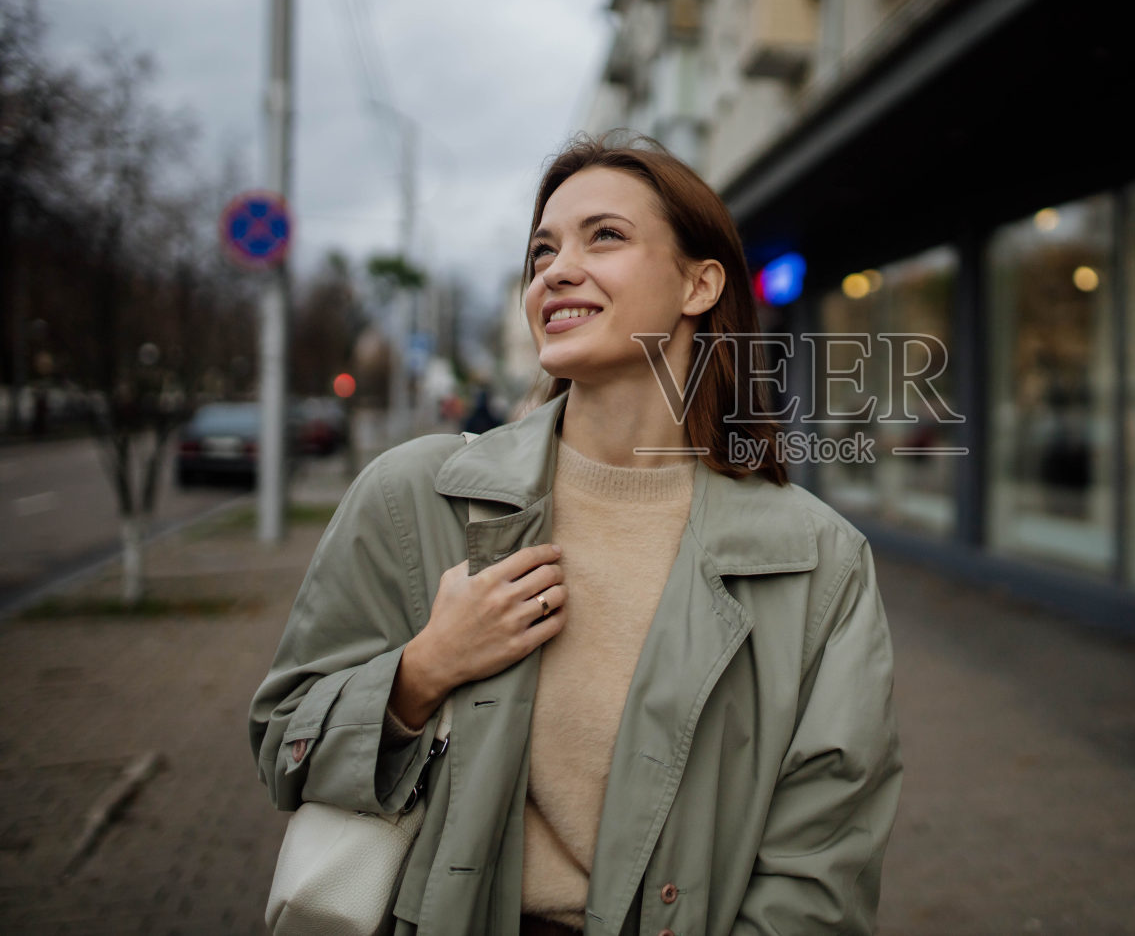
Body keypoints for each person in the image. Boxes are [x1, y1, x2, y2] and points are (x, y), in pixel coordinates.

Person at [247, 132, 904, 936]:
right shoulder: (414, 496)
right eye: (542, 250)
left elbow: (820, 865)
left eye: (605, 236)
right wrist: (421, 672)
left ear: (699, 284)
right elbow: (284, 741)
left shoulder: (819, 561)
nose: (556, 270)